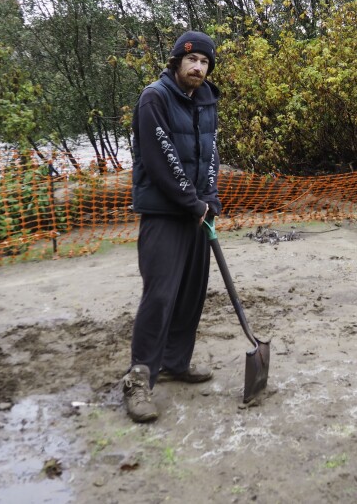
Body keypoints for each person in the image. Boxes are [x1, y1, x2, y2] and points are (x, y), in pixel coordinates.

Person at [122, 30, 222, 423]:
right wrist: (191, 201)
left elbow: (210, 152)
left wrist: (210, 199)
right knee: (160, 296)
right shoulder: (155, 98)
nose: (198, 67)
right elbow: (161, 159)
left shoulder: (207, 100)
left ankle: (176, 362)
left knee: (191, 294)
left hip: (197, 213)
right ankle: (138, 379)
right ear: (176, 61)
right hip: (164, 214)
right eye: (192, 60)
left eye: (204, 62)